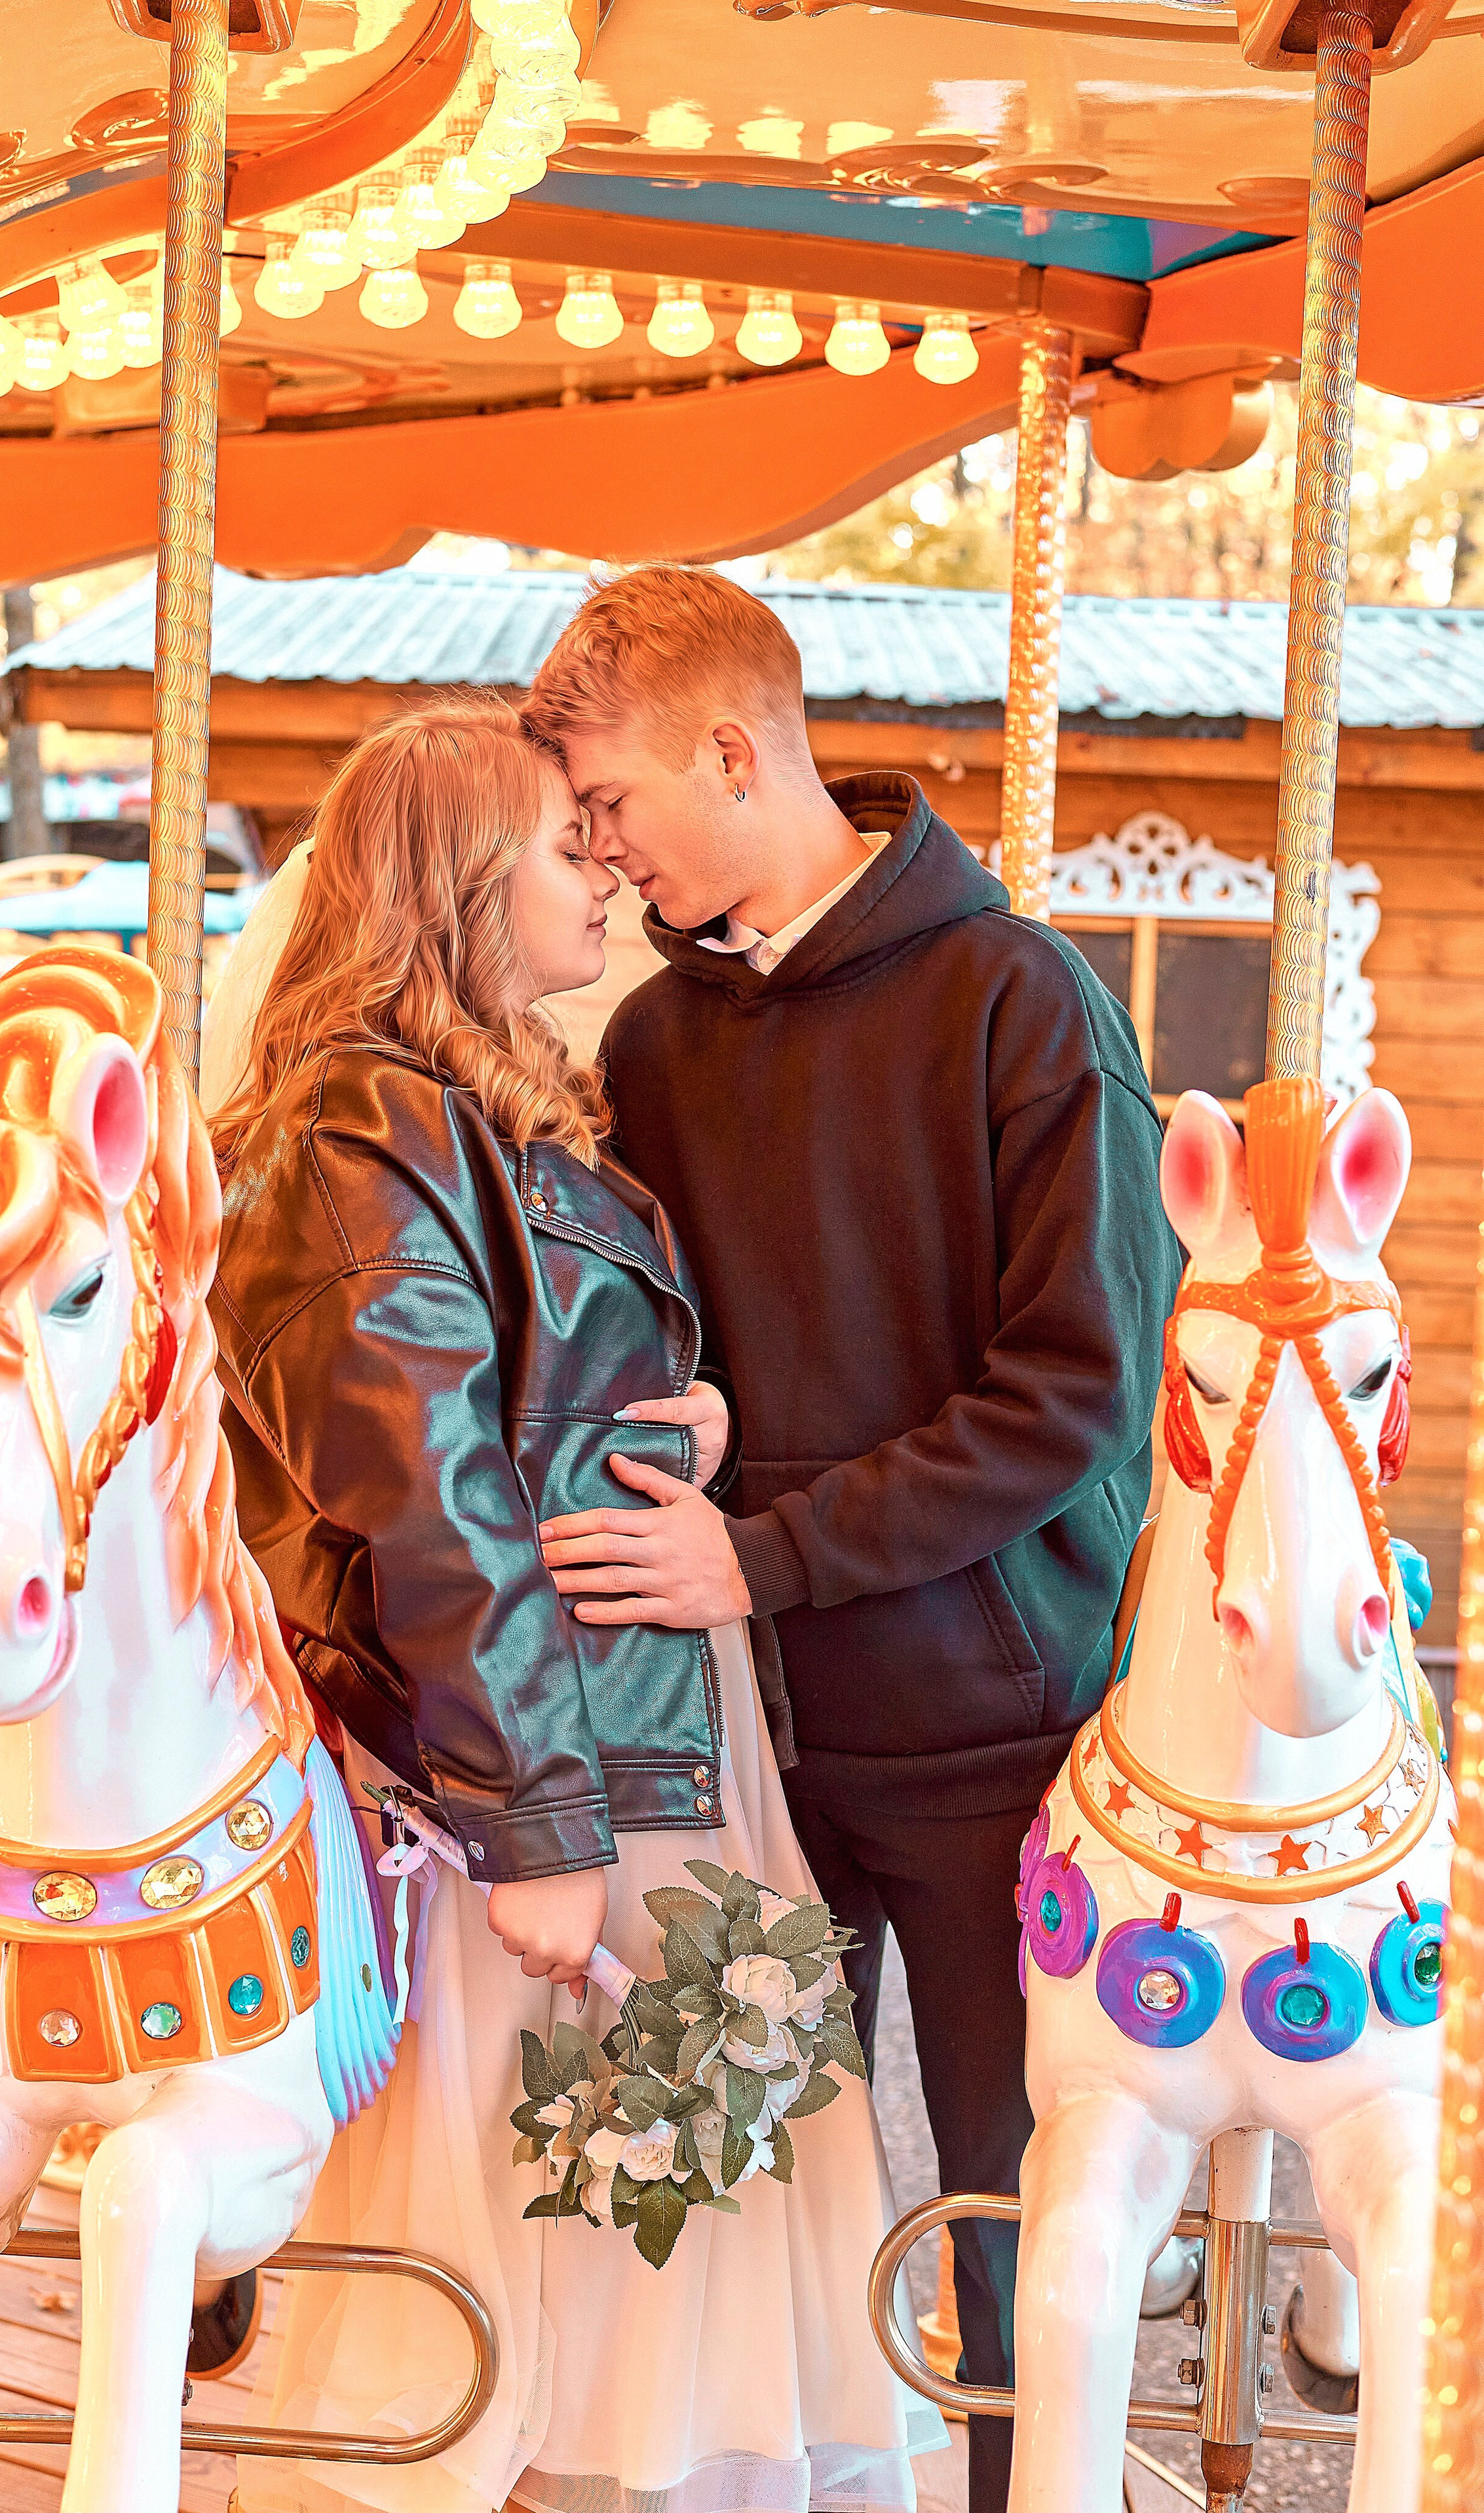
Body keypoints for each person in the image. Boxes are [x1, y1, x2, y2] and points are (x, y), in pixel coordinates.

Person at [204, 702, 942, 2513]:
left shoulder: (481, 1109)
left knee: (642, 2215)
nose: (606, 865)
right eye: (564, 842)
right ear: (458, 884)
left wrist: (682, 1403)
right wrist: (540, 1822)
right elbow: (429, 1505)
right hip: (541, 1762)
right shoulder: (364, 1123)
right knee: (569, 2234)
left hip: (625, 1729)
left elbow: (518, 1406)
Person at [520, 567, 1181, 2513]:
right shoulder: (653, 1040)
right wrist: (700, 1419)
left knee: (1001, 2217)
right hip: (738, 1733)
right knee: (740, 2213)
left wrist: (769, 1550)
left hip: (982, 1741)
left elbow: (1072, 1399)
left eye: (617, 800)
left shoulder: (1021, 1003)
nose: (605, 845)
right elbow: (672, 1330)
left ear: (735, 750)